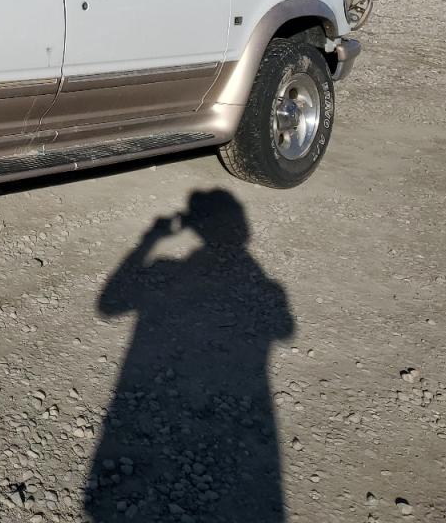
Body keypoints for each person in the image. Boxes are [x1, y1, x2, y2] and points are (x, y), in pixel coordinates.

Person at [85, 189, 295, 522]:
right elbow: (285, 330)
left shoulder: (167, 269)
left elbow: (109, 304)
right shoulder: (268, 286)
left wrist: (149, 240)